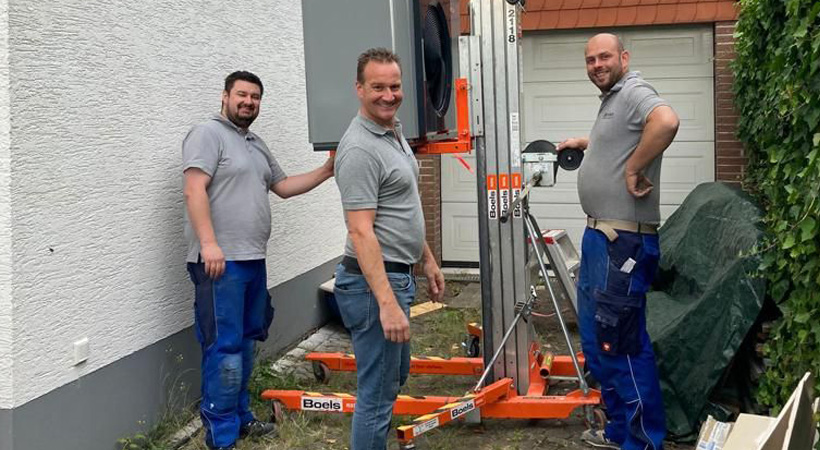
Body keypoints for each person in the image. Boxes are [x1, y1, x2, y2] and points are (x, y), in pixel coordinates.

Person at [182, 70, 334, 450]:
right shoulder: (208, 134)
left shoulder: (255, 143)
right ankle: (221, 436)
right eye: (242, 95)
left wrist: (327, 170)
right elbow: (193, 188)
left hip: (252, 260)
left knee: (247, 342)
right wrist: (209, 243)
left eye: (255, 97)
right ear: (225, 96)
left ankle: (242, 417)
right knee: (225, 348)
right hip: (220, 262)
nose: (248, 102)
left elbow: (282, 187)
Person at [557, 34, 679, 450]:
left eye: (604, 56)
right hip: (599, 239)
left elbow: (665, 121)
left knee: (621, 343)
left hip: (622, 244)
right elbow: (621, 139)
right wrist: (585, 145)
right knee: (596, 342)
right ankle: (617, 431)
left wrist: (634, 168)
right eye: (590, 59)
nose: (596, 64)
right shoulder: (612, 100)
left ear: (624, 57)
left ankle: (644, 442)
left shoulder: (633, 90)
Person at [333, 48, 446, 450]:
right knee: (377, 395)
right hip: (372, 286)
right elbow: (361, 232)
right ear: (359, 89)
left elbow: (404, 205)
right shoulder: (360, 148)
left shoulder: (394, 132)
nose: (388, 95)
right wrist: (386, 303)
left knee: (393, 379)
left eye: (395, 86)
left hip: (398, 274)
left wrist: (427, 259)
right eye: (377, 87)